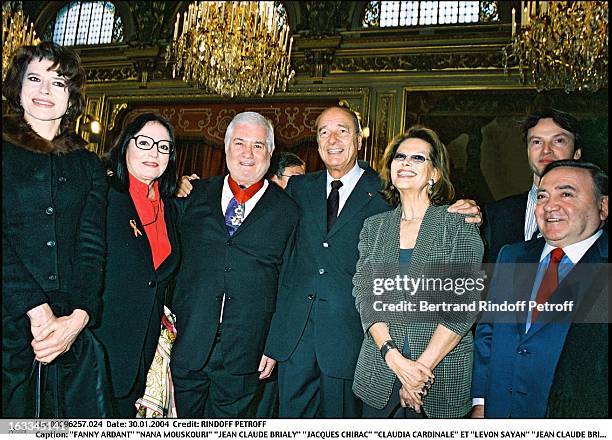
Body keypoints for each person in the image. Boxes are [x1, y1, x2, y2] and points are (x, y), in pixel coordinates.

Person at [264, 105, 483, 418]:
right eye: (323, 131)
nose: (332, 138)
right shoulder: (300, 188)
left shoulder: (383, 191)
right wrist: (192, 189)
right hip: (301, 341)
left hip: (351, 343)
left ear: (358, 140)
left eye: (342, 130)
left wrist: (471, 210)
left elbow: (461, 302)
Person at [2, 42, 109, 417]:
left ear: (71, 96)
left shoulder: (88, 163)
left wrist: (78, 317)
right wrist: (36, 309)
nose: (45, 91)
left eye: (58, 82)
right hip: (8, 319)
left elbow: (92, 244)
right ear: (18, 88)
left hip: (67, 329)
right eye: (35, 79)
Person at [169, 111, 299, 418]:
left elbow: (290, 282)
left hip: (247, 353)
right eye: (239, 143)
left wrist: (274, 345)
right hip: (189, 343)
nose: (247, 154)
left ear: (270, 152)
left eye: (257, 145)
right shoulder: (191, 195)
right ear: (226, 148)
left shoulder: (289, 211)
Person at [352, 126, 483, 418]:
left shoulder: (458, 223)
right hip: (380, 372)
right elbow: (365, 295)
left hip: (439, 377)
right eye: (400, 157)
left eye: (418, 158)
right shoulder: (374, 227)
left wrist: (418, 373)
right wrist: (394, 358)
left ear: (435, 173)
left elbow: (463, 305)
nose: (406, 163)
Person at [471, 160, 608, 418]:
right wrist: (480, 402)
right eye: (542, 196)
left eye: (566, 194)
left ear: (603, 207)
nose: (550, 206)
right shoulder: (512, 256)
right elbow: (488, 332)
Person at [93, 113, 180, 417]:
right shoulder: (102, 194)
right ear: (124, 145)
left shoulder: (170, 210)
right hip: (98, 347)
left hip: (142, 354)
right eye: (144, 143)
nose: (154, 152)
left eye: (163, 146)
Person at [483, 108, 582, 263]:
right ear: (528, 152)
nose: (546, 150)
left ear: (577, 153)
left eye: (558, 141)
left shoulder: (596, 213)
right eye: (537, 142)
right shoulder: (494, 215)